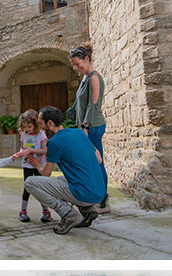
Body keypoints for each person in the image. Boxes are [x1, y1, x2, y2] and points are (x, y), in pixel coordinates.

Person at [24, 106, 106, 235]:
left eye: (41, 124)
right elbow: (99, 159)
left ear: (50, 123)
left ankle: (69, 215)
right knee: (60, 180)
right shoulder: (79, 132)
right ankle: (87, 209)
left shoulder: (54, 142)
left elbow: (46, 173)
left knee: (30, 182)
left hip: (84, 193)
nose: (40, 127)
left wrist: (38, 165)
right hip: (99, 192)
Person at [66, 43, 108, 212]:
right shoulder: (85, 78)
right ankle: (96, 195)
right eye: (73, 65)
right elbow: (79, 105)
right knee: (90, 162)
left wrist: (85, 126)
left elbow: (94, 104)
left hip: (93, 127)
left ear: (87, 59)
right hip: (84, 127)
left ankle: (103, 199)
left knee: (97, 162)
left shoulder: (94, 77)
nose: (76, 68)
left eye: (78, 64)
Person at [16, 110, 51, 223]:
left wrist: (31, 150)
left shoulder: (41, 135)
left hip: (39, 165)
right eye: (25, 126)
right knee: (27, 188)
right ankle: (23, 211)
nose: (27, 129)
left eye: (29, 126)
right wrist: (21, 152)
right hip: (27, 165)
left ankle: (46, 211)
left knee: (40, 188)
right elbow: (22, 147)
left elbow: (45, 150)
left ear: (35, 124)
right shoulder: (24, 135)